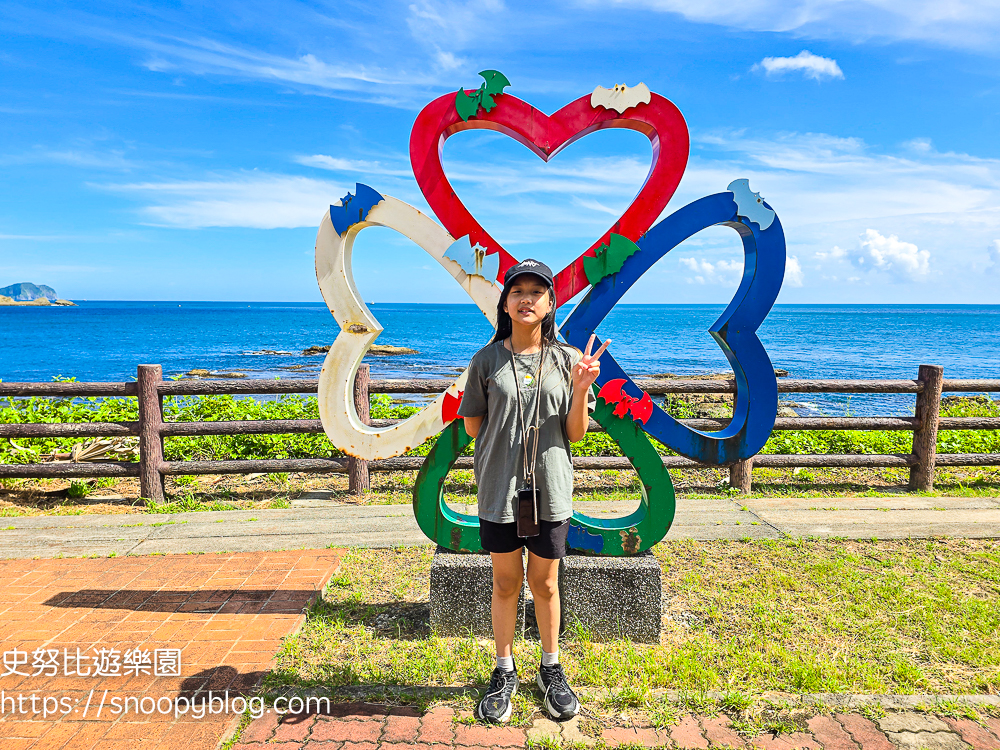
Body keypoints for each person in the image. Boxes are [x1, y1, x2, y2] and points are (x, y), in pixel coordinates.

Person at [458, 259, 610, 724]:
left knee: (545, 583)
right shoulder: (486, 360)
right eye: (517, 291)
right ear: (505, 303)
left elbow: (577, 434)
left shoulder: (567, 360)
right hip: (500, 488)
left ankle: (550, 667)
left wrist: (582, 388)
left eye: (536, 292)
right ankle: (504, 670)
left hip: (551, 489)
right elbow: (473, 424)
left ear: (549, 304)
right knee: (504, 583)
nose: (526, 299)